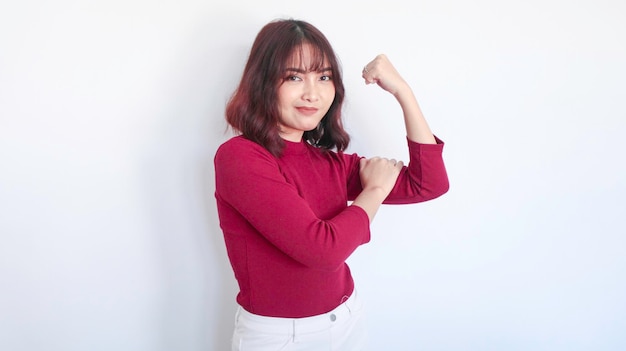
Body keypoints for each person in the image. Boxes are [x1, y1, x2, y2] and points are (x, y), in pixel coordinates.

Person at [214, 18, 449, 351]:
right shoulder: (240, 157)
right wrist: (375, 192)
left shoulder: (330, 163)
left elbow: (430, 184)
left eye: (323, 77)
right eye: (294, 77)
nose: (312, 93)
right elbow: (322, 250)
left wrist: (403, 92)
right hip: (282, 337)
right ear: (263, 83)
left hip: (348, 319)